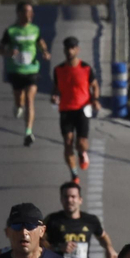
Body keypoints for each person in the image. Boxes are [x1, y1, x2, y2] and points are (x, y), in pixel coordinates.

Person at [0, 2, 50, 147]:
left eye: (32, 11)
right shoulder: (11, 31)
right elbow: (0, 49)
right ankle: (17, 105)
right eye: (27, 11)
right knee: (19, 99)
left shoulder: (35, 29)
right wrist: (8, 53)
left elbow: (41, 42)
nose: (31, 14)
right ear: (19, 13)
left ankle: (28, 131)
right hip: (16, 70)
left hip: (32, 70)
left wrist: (44, 52)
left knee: (29, 98)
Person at [51, 36, 100, 181]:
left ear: (77, 50)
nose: (70, 51)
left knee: (81, 143)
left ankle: (81, 153)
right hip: (66, 110)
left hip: (82, 109)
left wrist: (95, 100)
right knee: (67, 142)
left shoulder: (86, 68)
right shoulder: (58, 70)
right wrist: (54, 97)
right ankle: (74, 174)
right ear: (64, 50)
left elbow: (95, 86)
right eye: (67, 48)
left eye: (72, 48)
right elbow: (55, 89)